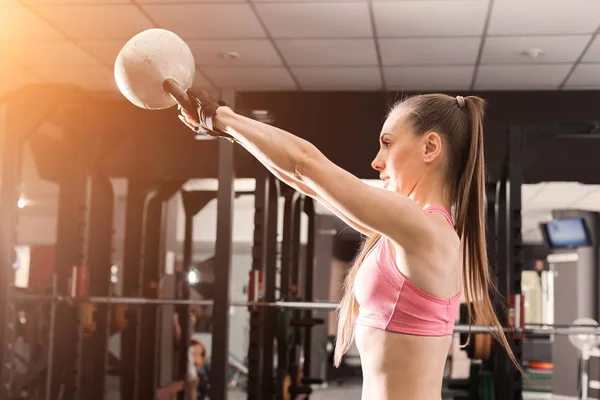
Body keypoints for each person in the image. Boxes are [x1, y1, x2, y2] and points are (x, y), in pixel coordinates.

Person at [178, 92, 520, 399]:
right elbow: (305, 179)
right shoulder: (411, 230)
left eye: (387, 143)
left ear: (430, 147)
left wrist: (221, 117)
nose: (377, 160)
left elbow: (307, 163)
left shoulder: (423, 229)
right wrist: (228, 130)